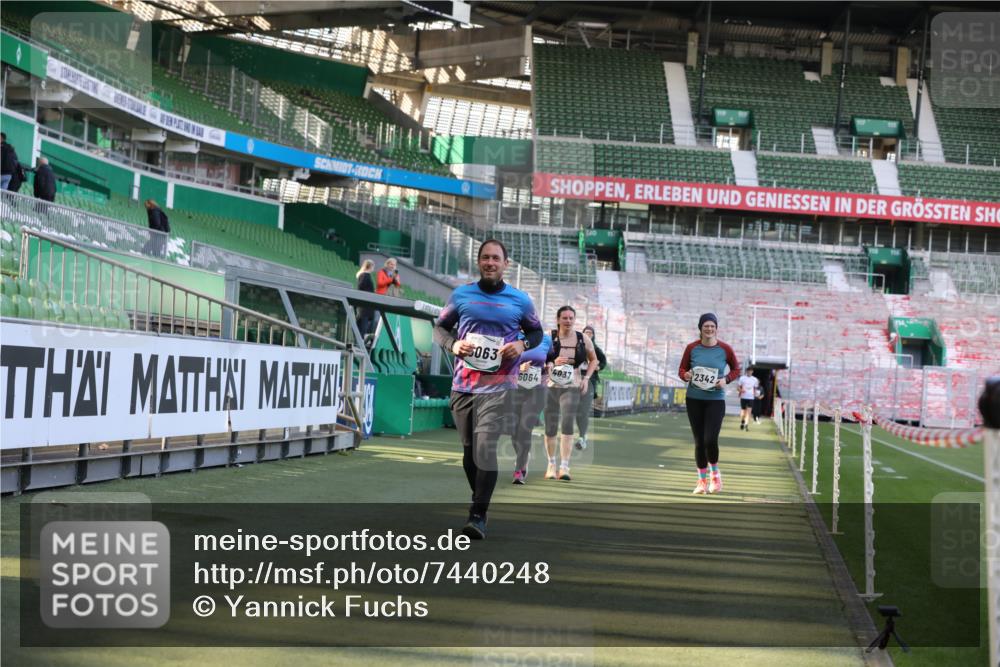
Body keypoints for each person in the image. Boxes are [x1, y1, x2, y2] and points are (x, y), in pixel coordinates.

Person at [433, 239, 543, 539]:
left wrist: (521, 344)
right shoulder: (462, 295)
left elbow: (536, 331)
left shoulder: (520, 300)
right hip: (464, 386)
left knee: (485, 450)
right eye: (485, 258)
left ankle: (478, 516)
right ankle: (479, 498)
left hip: (500, 387)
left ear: (506, 264)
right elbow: (440, 328)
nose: (490, 262)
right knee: (469, 454)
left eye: (496, 258)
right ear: (479, 262)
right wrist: (454, 344)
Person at [678, 313, 740, 495]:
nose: (709, 329)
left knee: (710, 440)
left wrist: (726, 380)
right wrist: (686, 375)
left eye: (712, 326)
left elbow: (736, 369)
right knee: (699, 442)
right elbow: (681, 370)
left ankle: (715, 475)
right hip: (694, 399)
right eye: (706, 326)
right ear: (700, 328)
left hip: (715, 400)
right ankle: (701, 482)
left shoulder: (725, 349)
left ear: (716, 328)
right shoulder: (692, 348)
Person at [543, 305, 598, 481]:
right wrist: (551, 362)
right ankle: (551, 464)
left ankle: (564, 467)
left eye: (571, 318)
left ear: (574, 320)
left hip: (571, 385)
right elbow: (536, 357)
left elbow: (594, 359)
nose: (568, 321)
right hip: (550, 386)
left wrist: (586, 378)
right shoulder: (548, 337)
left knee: (567, 424)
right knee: (550, 427)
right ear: (558, 320)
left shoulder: (583, 339)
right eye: (564, 318)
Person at [509, 331, 552, 485]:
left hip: (537, 389)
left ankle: (519, 470)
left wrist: (550, 366)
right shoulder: (510, 335)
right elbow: (499, 361)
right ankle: (523, 456)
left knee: (524, 428)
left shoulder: (546, 338)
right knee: (514, 431)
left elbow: (551, 356)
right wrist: (518, 368)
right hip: (513, 388)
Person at [575, 324, 607, 450]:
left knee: (583, 410)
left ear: (593, 335)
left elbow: (603, 361)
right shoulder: (577, 347)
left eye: (590, 333)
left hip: (590, 381)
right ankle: (581, 433)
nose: (588, 335)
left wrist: (598, 367)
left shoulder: (596, 349)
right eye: (586, 332)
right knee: (577, 412)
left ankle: (582, 437)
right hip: (576, 380)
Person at [355, 259, 377, 345]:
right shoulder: (365, 275)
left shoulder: (365, 275)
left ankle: (360, 343)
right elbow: (360, 288)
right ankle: (359, 344)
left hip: (365, 307)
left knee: (364, 327)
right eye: (373, 266)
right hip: (365, 307)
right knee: (363, 328)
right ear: (370, 266)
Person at [736, 366, 760, 431]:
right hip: (743, 397)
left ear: (752, 372)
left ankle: (746, 425)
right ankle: (742, 421)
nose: (749, 372)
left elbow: (755, 388)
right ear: (746, 371)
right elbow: (738, 387)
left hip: (751, 397)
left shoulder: (755, 379)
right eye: (748, 371)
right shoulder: (742, 378)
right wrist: (741, 391)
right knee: (743, 412)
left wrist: (755, 394)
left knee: (749, 412)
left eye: (751, 371)